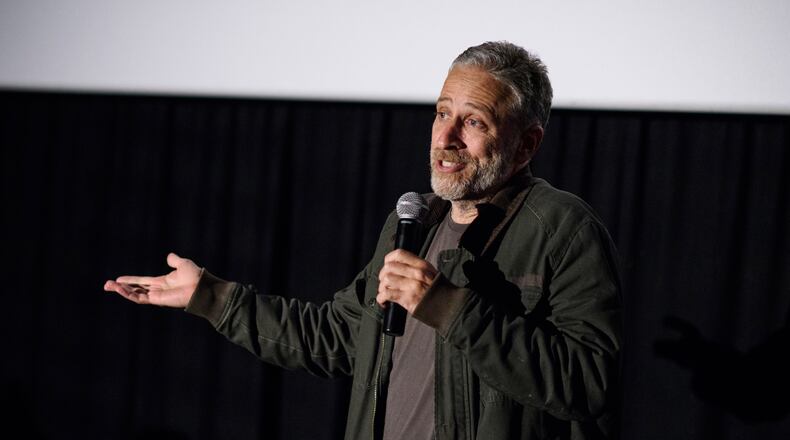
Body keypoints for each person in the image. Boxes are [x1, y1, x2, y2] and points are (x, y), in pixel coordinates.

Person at [104, 41, 623, 440]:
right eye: (442, 113)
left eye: (474, 121)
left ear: (527, 142)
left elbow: (589, 384)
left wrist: (450, 309)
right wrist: (212, 297)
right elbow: (338, 338)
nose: (446, 138)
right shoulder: (415, 226)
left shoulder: (562, 229)